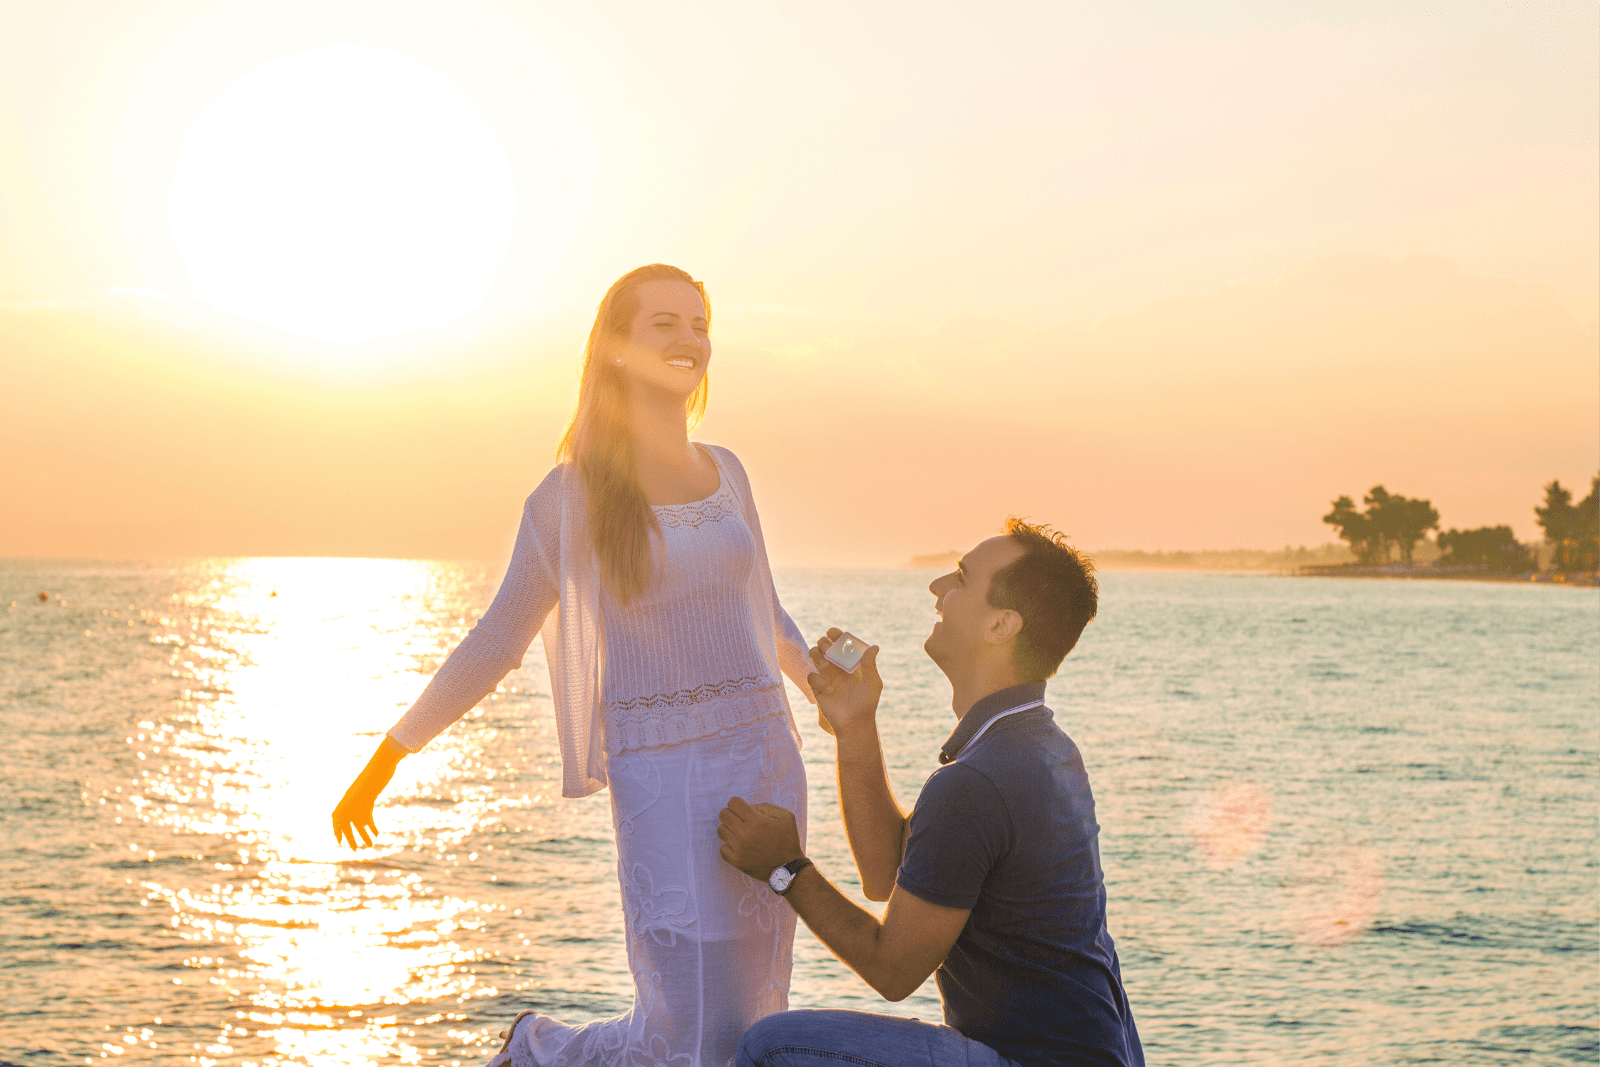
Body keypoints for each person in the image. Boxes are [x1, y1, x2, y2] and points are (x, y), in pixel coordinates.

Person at [330, 264, 817, 1067]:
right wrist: (389, 755)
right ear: (617, 348)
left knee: (749, 1017)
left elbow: (764, 610)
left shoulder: (729, 472)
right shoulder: (568, 500)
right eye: (666, 323)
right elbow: (495, 641)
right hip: (661, 777)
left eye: (700, 324)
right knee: (680, 1024)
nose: (691, 339)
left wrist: (822, 689)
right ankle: (541, 1052)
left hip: (762, 754)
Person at [718, 519, 1144, 1067]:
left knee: (766, 1048)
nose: (937, 586)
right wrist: (855, 727)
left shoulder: (979, 781)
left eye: (961, 579)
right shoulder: (1034, 745)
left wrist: (784, 869)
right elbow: (887, 873)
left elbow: (893, 971)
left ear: (1000, 626)